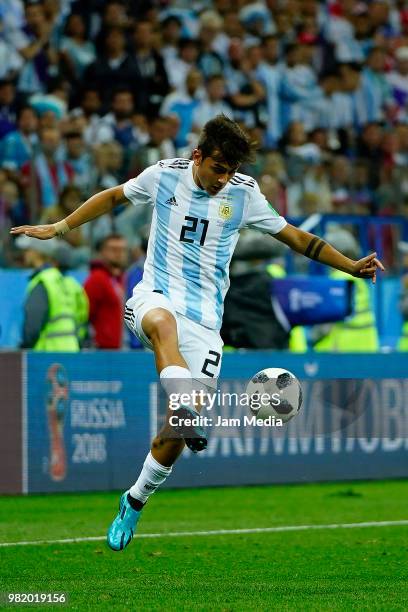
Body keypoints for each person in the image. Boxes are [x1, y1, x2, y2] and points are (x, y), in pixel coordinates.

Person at [10, 115, 384, 551]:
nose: (222, 180)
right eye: (217, 169)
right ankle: (186, 401)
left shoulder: (244, 196)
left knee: (177, 430)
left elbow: (297, 238)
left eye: (230, 172)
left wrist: (351, 267)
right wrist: (59, 228)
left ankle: (134, 501)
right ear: (198, 156)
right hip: (155, 296)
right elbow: (113, 196)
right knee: (162, 327)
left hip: (206, 323)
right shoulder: (163, 177)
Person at [15, 234, 87, 351]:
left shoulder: (43, 281)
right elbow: (82, 322)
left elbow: (32, 327)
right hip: (72, 351)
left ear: (37, 252)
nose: (25, 254)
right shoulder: (71, 283)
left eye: (28, 250)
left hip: (46, 355)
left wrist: (24, 347)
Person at [84, 233, 128, 349]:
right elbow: (85, 314)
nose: (119, 254)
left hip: (120, 348)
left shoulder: (121, 279)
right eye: (113, 249)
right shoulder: (97, 278)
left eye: (122, 250)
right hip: (101, 349)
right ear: (102, 252)